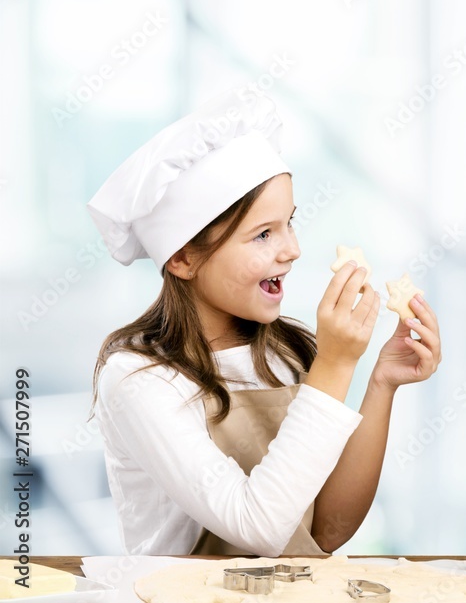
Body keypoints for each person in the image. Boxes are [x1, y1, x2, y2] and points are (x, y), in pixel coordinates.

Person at [88, 89, 441, 556]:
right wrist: (335, 365)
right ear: (184, 258)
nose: (292, 249)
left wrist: (381, 381)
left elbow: (324, 532)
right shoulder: (141, 379)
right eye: (263, 234)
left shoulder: (286, 351)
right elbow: (257, 528)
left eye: (289, 223)